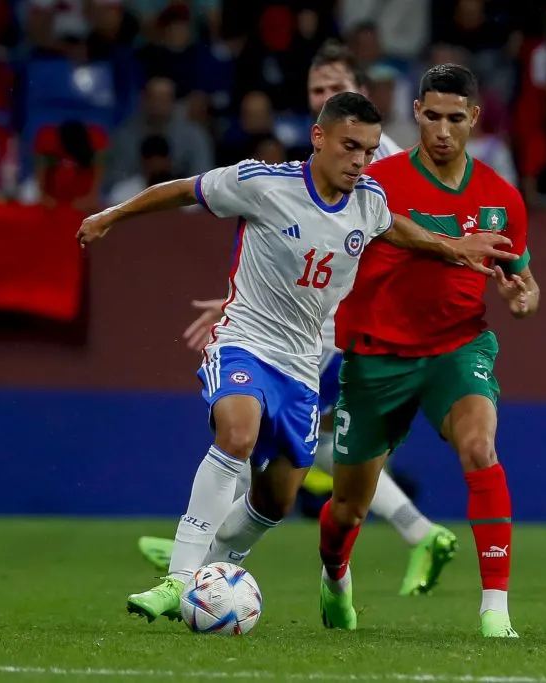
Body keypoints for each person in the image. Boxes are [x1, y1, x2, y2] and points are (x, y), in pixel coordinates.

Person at [74, 91, 517, 623]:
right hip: (246, 341)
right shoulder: (262, 184)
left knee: (274, 501)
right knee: (237, 433)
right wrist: (112, 215)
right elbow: (183, 190)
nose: (360, 160)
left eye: (370, 150)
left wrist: (452, 248)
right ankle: (181, 579)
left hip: (304, 369)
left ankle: (214, 574)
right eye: (350, 146)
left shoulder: (368, 200)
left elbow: (396, 228)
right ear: (319, 137)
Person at [136, 40, 461, 599]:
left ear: (357, 89)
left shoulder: (379, 167)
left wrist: (453, 252)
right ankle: (201, 559)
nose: (322, 97)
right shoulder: (307, 168)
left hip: (346, 332)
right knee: (262, 433)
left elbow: (394, 239)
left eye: (333, 86)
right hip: (307, 327)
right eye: (315, 91)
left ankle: (406, 534)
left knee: (311, 451)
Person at [317, 64, 540, 639]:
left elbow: (524, 281)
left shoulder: (501, 197)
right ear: (416, 113)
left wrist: (523, 299)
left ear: (475, 118)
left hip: (457, 347)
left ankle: (495, 610)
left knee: (479, 446)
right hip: (376, 357)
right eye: (432, 116)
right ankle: (336, 576)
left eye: (455, 118)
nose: (443, 130)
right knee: (348, 509)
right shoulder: (377, 181)